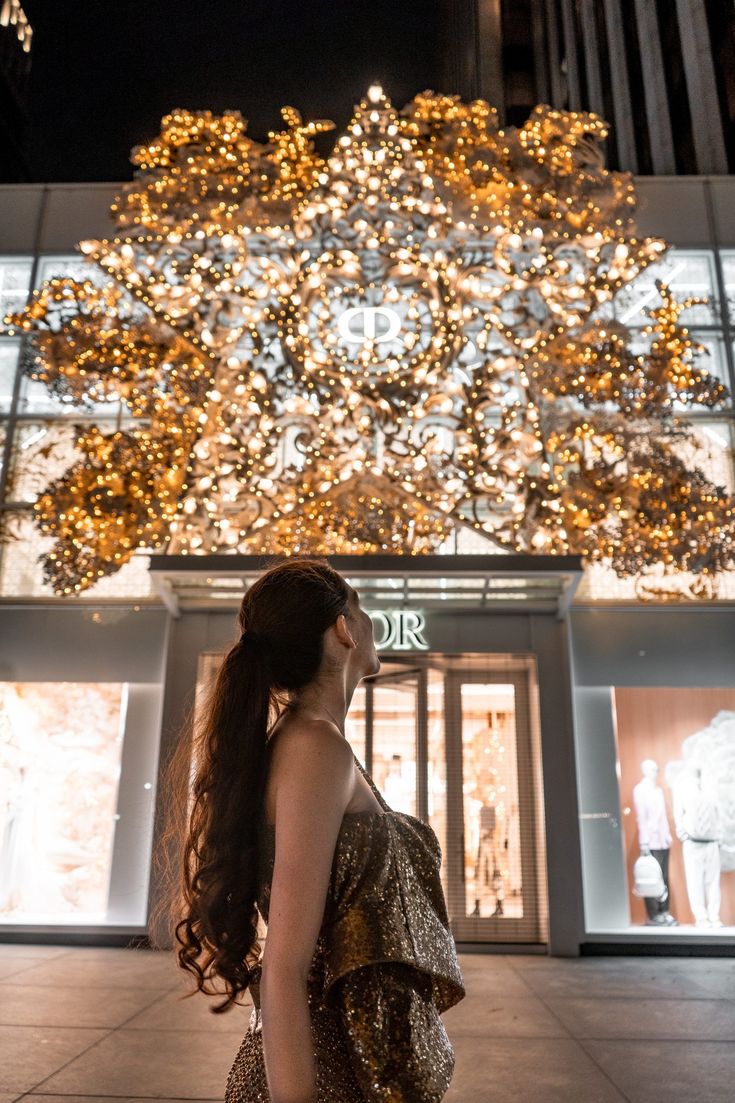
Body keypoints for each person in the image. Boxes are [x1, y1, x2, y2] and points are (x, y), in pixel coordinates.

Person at [153, 556, 465, 1103]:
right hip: (326, 1066)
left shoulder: (318, 743)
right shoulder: (314, 747)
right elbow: (286, 963)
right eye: (361, 608)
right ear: (343, 629)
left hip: (346, 1052)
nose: (371, 622)